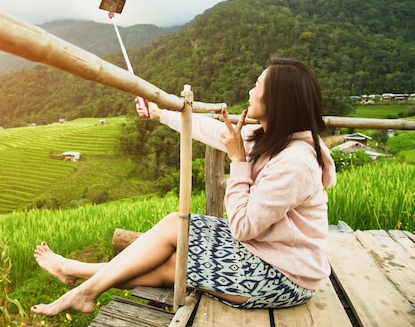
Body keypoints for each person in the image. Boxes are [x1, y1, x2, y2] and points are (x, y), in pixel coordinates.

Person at [31, 58, 337, 316]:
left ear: (277, 100)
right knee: (174, 224)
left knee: (171, 265)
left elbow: (243, 227)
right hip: (263, 251)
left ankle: (79, 282)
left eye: (257, 85)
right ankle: (78, 279)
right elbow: (215, 131)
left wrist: (238, 162)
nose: (250, 90)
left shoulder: (295, 162)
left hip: (282, 277)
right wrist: (161, 113)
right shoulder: (271, 138)